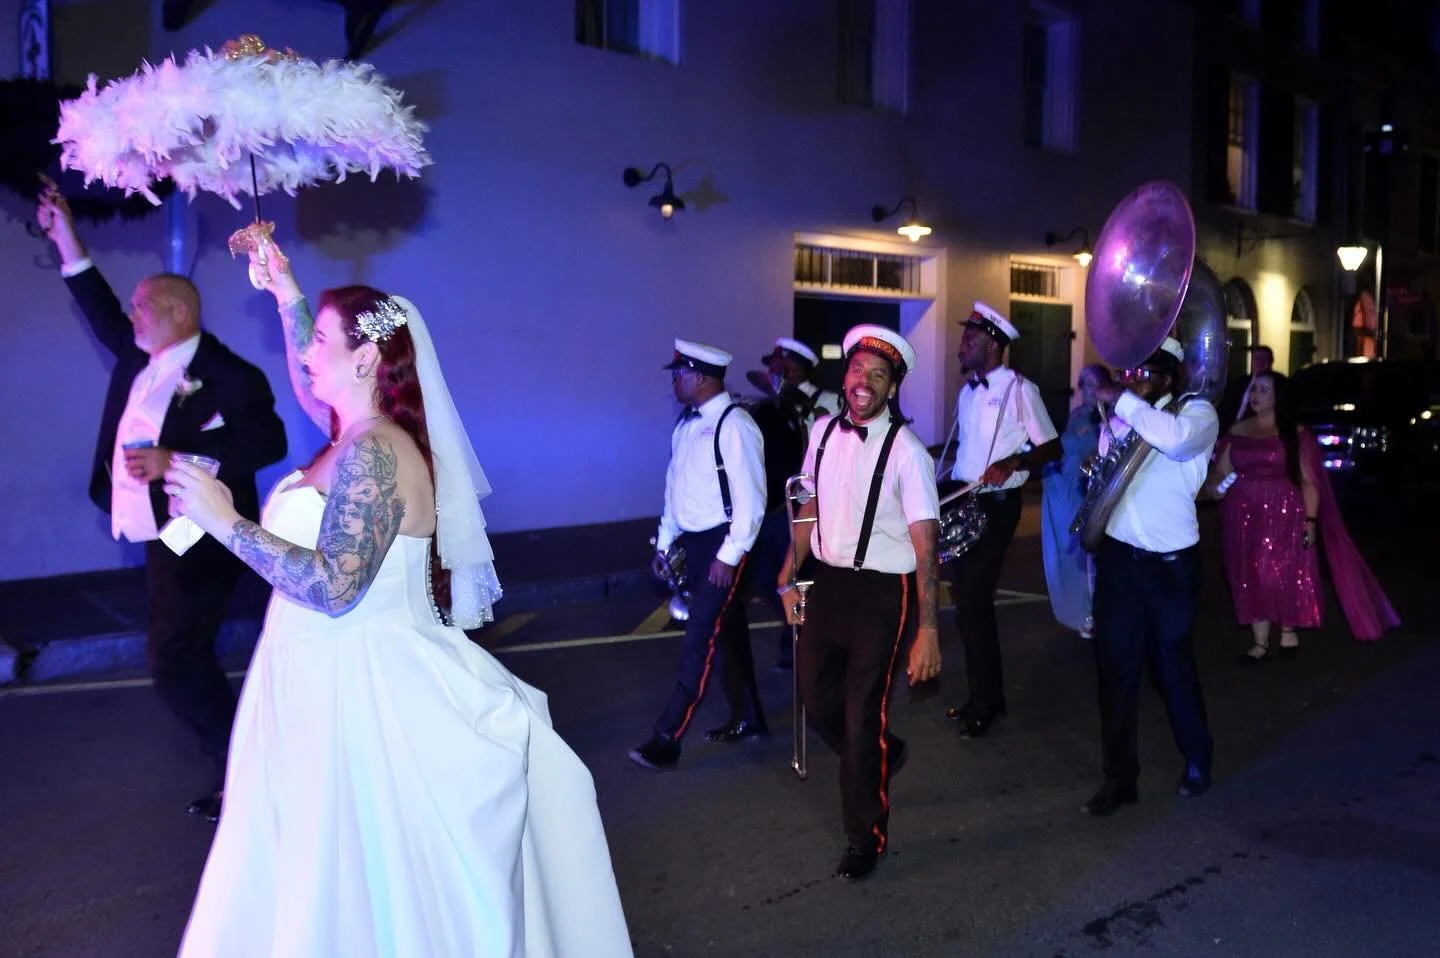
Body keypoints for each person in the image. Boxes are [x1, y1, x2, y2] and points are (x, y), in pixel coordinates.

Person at [164, 238, 632, 957]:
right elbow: (302, 366)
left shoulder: (376, 452)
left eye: (322, 340)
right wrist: (285, 289)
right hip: (313, 679)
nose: (305, 353)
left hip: (364, 690)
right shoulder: (347, 435)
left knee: (363, 886)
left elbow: (333, 583)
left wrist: (224, 520)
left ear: (363, 360)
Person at [35, 186, 287, 823]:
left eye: (143, 306)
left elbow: (268, 439)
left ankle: (245, 772)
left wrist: (175, 460)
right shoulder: (141, 355)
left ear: (176, 310)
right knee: (189, 651)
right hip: (158, 533)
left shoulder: (229, 374)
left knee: (175, 657)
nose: (133, 315)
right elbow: (99, 309)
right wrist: (66, 238)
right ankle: (253, 764)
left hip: (202, 536)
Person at [777, 324, 941, 881]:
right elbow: (807, 510)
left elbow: (926, 550)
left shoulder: (909, 452)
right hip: (827, 584)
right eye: (857, 370)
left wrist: (929, 630)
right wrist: (787, 577)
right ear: (844, 376)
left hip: (880, 595)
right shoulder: (821, 431)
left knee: (860, 714)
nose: (864, 382)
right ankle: (880, 750)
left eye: (878, 374)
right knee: (814, 698)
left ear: (892, 387)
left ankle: (864, 838)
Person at [1082, 337, 1216, 817]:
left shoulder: (1196, 416)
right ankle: (1119, 779)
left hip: (1169, 567)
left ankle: (1198, 755)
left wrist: (1122, 401)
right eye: (1129, 370)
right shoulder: (1123, 417)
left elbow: (1175, 440)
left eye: (1143, 371)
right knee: (1115, 674)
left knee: (1171, 668)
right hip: (1120, 563)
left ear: (1168, 374)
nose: (1131, 378)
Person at [630, 340, 769, 770]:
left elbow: (753, 501)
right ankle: (750, 717)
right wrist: (666, 540)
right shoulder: (685, 425)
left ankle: (666, 738)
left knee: (699, 639)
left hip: (722, 545)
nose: (675, 380)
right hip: (692, 543)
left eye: (680, 373)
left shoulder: (735, 425)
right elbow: (676, 488)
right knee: (728, 634)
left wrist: (728, 556)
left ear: (703, 378)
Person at [1205, 371, 1398, 659]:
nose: (1256, 395)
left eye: (1264, 390)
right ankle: (1259, 643)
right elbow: (1221, 471)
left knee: (1278, 570)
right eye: (1254, 389)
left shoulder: (1294, 434)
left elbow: (1309, 480)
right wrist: (1215, 488)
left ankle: (1287, 631)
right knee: (1248, 572)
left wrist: (1310, 520)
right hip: (1243, 514)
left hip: (1284, 511)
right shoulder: (1238, 430)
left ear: (1278, 397)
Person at [942, 302, 1060, 738]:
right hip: (963, 500)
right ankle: (987, 698)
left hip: (997, 506)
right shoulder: (968, 390)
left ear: (992, 344)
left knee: (973, 602)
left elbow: (1052, 447)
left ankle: (985, 704)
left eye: (969, 339)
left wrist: (1013, 461)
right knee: (968, 604)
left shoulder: (1019, 390)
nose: (961, 346)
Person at [1041, 364, 1106, 638]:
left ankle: (1095, 611)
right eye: (1086, 385)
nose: (1091, 390)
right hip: (1068, 490)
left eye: (1096, 384)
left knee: (1092, 555)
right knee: (1073, 553)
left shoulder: (1110, 418)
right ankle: (1084, 612)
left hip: (1091, 491)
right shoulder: (1078, 415)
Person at [761, 337, 841, 426]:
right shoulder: (774, 404)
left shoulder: (829, 400)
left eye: (776, 366)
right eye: (771, 367)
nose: (770, 372)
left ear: (794, 370)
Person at [1217, 344, 1273, 430]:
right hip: (1230, 429)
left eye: (1265, 360)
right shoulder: (1241, 381)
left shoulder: (1274, 385)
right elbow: (1226, 407)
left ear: (1270, 363)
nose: (1260, 363)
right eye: (1257, 359)